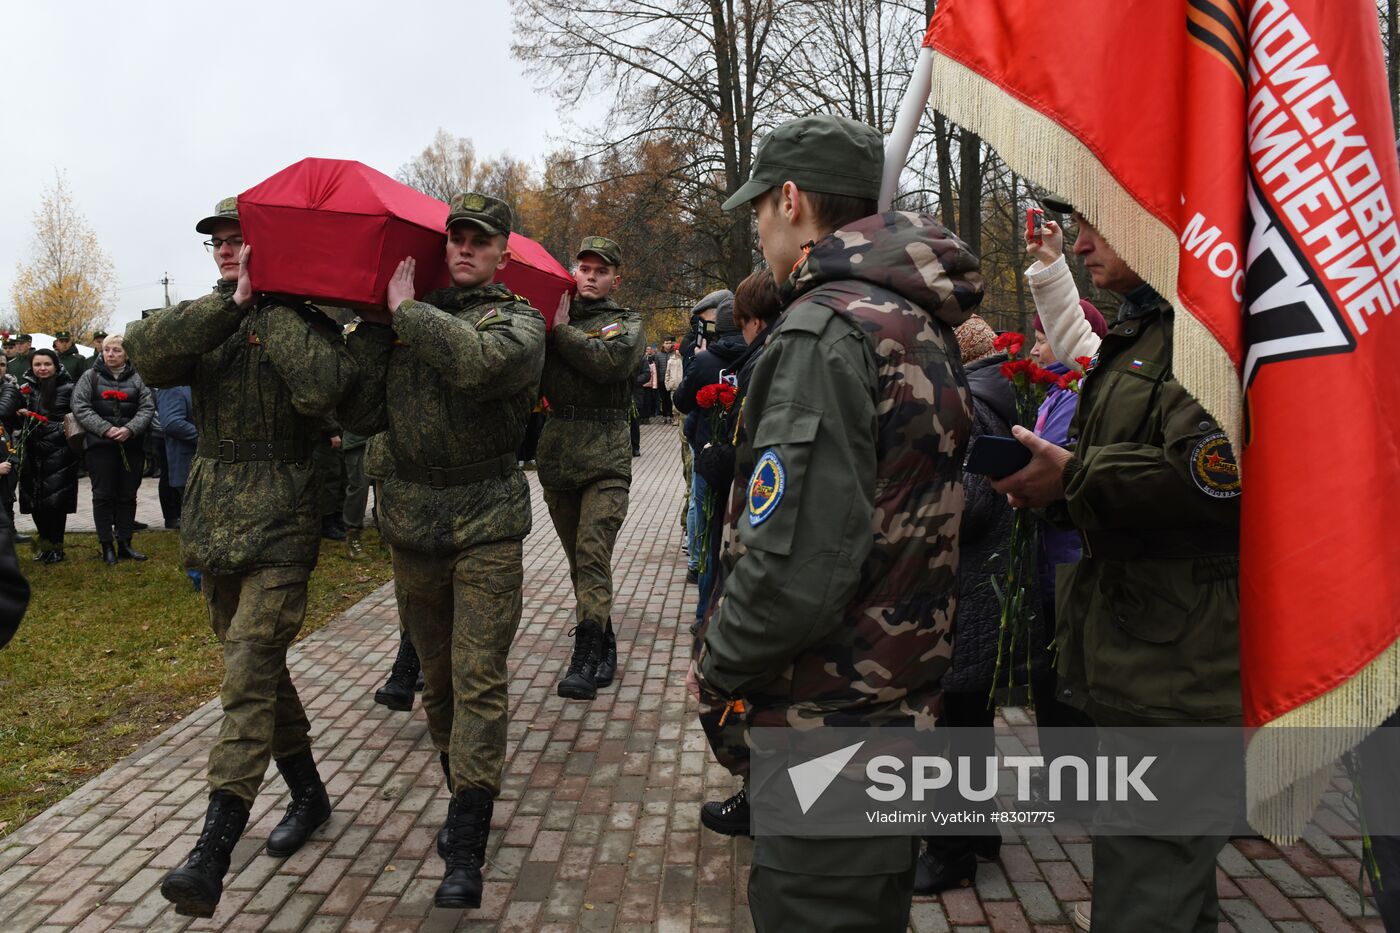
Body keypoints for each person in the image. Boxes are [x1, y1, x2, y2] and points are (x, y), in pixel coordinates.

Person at [694, 114, 981, 933]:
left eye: (759, 208)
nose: (758, 226)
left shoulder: (825, 331)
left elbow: (796, 566)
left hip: (828, 725)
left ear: (790, 200)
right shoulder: (913, 318)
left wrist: (717, 667)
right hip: (892, 710)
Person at [991, 198, 1241, 933]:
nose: (1084, 241)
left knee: (1144, 895)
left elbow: (1210, 479)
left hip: (1178, 669)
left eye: (1098, 224)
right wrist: (1057, 487)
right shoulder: (1146, 333)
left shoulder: (1203, 336)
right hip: (1146, 655)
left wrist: (1069, 479)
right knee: (1165, 890)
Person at [126, 196, 355, 917]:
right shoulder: (206, 316)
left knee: (248, 673)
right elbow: (148, 352)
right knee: (254, 666)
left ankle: (212, 847)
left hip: (284, 519)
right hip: (217, 525)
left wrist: (272, 308)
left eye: (240, 241)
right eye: (219, 244)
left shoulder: (306, 320)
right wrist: (234, 305)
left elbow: (324, 391)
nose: (227, 252)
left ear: (269, 245)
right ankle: (310, 793)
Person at [340, 191, 545, 910]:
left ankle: (466, 836)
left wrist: (405, 314)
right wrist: (371, 330)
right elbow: (358, 412)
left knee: (479, 673)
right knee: (438, 681)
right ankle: (464, 790)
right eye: (455, 237)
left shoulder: (518, 319)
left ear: (501, 253)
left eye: (478, 239)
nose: (463, 247)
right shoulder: (405, 321)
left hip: (487, 520)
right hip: (413, 524)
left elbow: (479, 367)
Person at [692, 268, 783, 836]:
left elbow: (766, 471)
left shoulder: (770, 364)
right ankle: (762, 792)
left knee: (730, 676)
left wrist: (718, 459)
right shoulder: (772, 358)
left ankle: (762, 794)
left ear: (751, 323)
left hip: (758, 549)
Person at [536, 236, 645, 701]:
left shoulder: (627, 322)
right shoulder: (545, 316)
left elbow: (610, 362)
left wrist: (562, 334)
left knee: (592, 552)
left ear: (615, 279)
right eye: (585, 269)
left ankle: (584, 657)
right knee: (580, 563)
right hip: (559, 454)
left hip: (606, 455)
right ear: (573, 271)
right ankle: (602, 637)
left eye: (601, 271)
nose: (591, 277)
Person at [673, 292, 746, 624]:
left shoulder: (704, 360)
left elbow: (683, 401)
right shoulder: (759, 355)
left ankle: (704, 612)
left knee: (707, 538)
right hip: (744, 461)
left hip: (707, 458)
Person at [71, 334, 156, 564]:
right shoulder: (90, 376)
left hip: (131, 446)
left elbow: (147, 408)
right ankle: (106, 544)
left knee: (127, 495)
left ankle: (125, 543)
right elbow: (80, 406)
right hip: (101, 447)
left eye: (116, 350)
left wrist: (129, 429)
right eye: (107, 350)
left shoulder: (139, 378)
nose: (110, 354)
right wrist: (106, 429)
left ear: (126, 353)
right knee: (103, 496)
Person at [16, 348, 79, 563]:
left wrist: (50, 428)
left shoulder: (69, 388)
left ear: (55, 365)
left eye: (47, 364)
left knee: (55, 504)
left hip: (59, 453)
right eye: (37, 365)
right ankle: (44, 545)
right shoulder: (25, 388)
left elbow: (75, 418)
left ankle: (57, 548)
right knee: (34, 501)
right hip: (32, 453)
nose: (42, 369)